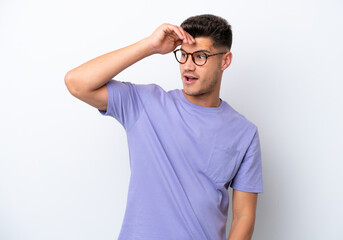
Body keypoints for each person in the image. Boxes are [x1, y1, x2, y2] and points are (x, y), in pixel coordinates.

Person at [65, 14, 263, 240]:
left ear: (225, 61)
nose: (188, 66)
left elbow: (243, 216)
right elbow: (77, 82)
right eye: (184, 55)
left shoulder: (244, 133)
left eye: (200, 56)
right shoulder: (144, 103)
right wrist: (150, 45)